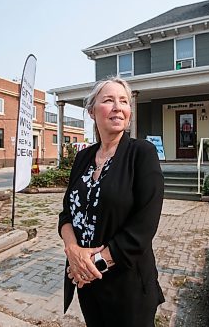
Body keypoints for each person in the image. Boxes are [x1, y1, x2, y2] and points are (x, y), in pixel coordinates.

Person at [58, 76, 165, 326]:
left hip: (126, 284)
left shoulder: (142, 153)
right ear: (92, 111)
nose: (118, 107)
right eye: (108, 100)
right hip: (87, 284)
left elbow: (144, 226)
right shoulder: (83, 157)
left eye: (124, 101)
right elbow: (66, 214)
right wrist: (73, 251)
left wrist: (91, 266)